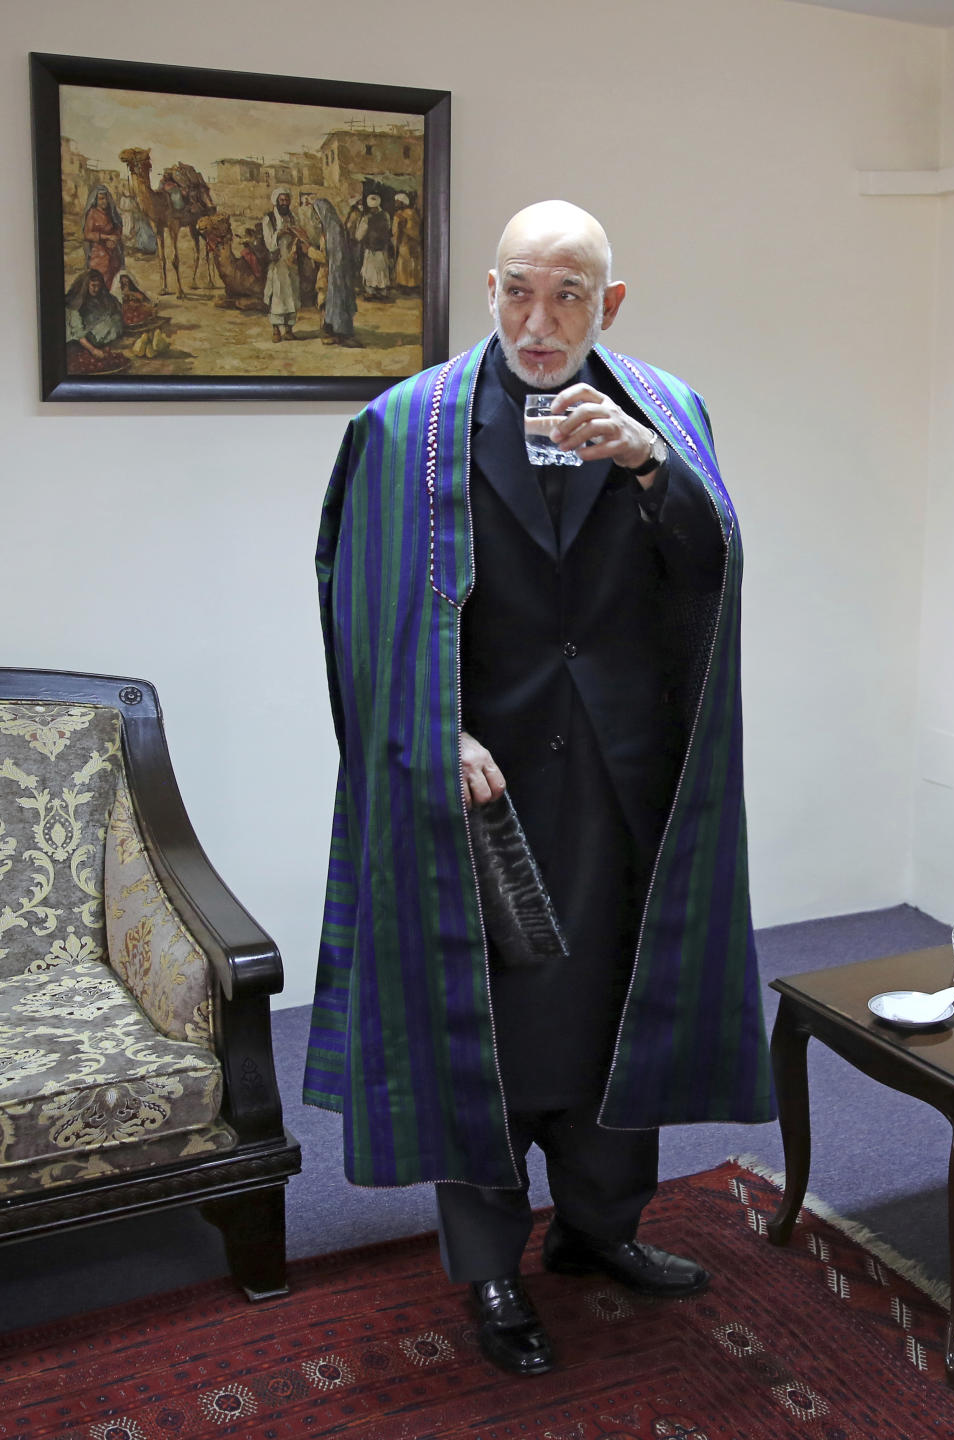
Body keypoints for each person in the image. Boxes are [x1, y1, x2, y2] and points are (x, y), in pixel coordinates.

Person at [304, 200, 775, 1378]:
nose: (541, 319)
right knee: (492, 1033)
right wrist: (436, 729)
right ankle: (491, 1269)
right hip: (479, 788)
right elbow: (365, 619)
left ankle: (600, 1230)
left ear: (608, 303)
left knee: (619, 1005)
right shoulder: (402, 426)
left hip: (624, 778)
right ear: (492, 291)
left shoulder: (667, 412)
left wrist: (654, 468)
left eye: (569, 295)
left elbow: (705, 577)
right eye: (520, 289)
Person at [306, 197, 361, 347]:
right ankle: (334, 332)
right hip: (332, 273)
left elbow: (327, 257)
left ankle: (334, 333)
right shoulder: (330, 227)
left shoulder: (333, 230)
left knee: (327, 302)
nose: (315, 218)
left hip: (332, 274)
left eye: (316, 214)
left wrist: (309, 250)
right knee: (327, 302)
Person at [262, 187, 309, 341]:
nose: (284, 203)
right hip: (277, 264)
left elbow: (300, 236)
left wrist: (297, 238)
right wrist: (280, 232)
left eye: (287, 200)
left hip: (291, 262)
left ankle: (288, 329)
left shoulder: (293, 217)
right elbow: (269, 244)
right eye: (281, 200)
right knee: (277, 297)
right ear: (276, 201)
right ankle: (276, 330)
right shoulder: (269, 219)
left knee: (291, 296)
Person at [64, 268, 127, 374]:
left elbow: (116, 309)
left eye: (98, 285)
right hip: (79, 343)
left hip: (97, 339)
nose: (96, 289)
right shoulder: (75, 303)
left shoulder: (101, 297)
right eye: (93, 286)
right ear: (86, 285)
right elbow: (78, 333)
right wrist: (93, 350)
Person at [81, 183, 125, 290]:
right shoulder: (92, 213)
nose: (103, 201)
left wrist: (114, 238)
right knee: (101, 278)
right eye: (100, 199)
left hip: (113, 250)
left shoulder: (111, 212)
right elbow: (87, 234)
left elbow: (118, 227)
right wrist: (106, 237)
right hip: (99, 253)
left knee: (114, 276)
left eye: (105, 198)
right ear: (96, 200)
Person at [355, 192, 392, 300]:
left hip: (371, 248)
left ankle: (371, 292)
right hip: (382, 248)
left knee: (370, 270)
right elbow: (388, 228)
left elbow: (358, 235)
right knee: (381, 270)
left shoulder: (367, 218)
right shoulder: (386, 215)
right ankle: (383, 291)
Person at [391, 193, 421, 292]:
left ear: (403, 202)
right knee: (403, 264)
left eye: (397, 202)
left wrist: (402, 228)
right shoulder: (401, 214)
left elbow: (413, 229)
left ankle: (410, 286)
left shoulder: (410, 214)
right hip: (404, 243)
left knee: (410, 264)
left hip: (409, 243)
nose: (396, 204)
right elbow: (394, 231)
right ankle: (404, 285)